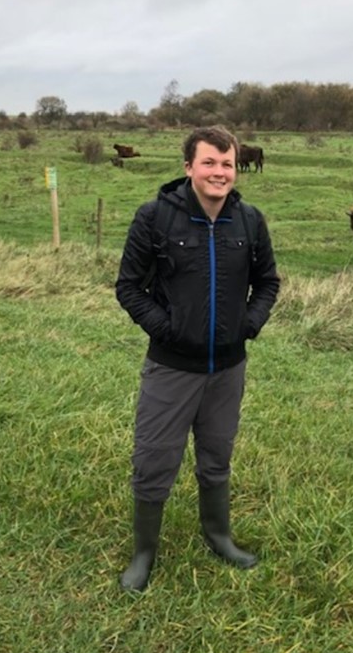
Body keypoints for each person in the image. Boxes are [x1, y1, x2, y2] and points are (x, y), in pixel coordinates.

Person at [115, 125, 280, 592]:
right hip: (171, 367)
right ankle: (144, 553)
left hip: (227, 369)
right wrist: (167, 330)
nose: (219, 172)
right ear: (189, 167)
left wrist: (248, 324)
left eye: (226, 163)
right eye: (209, 162)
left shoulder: (249, 220)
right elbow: (128, 287)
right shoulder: (154, 218)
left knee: (217, 455)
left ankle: (218, 535)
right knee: (154, 458)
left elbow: (268, 282)